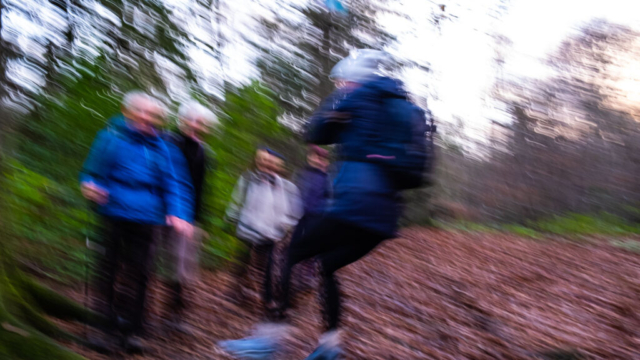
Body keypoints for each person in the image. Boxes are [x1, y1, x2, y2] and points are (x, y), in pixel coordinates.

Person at [219, 50, 405, 360]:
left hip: (355, 205)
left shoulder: (356, 99)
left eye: (343, 81)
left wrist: (332, 107)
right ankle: (330, 347)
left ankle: (269, 340)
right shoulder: (395, 106)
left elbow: (314, 132)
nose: (340, 86)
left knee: (288, 254)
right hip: (385, 217)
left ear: (354, 80)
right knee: (328, 265)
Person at [80, 91, 194, 353]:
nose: (146, 118)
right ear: (126, 111)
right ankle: (104, 327)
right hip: (112, 212)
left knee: (141, 273)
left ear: (160, 119)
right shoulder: (110, 137)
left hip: (147, 218)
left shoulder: (166, 148)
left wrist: (179, 213)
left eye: (153, 115)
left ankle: (133, 330)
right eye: (141, 111)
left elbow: (177, 184)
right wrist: (90, 186)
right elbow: (92, 172)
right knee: (107, 270)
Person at [158, 101, 218, 334]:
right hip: (165, 213)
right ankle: (149, 316)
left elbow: (201, 189)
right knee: (163, 265)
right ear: (181, 120)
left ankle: (175, 316)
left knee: (184, 269)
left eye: (200, 122)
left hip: (191, 218)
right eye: (191, 120)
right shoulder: (168, 141)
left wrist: (199, 221)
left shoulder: (204, 150)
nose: (195, 125)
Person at [224, 148, 301, 312]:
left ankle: (267, 300)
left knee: (266, 267)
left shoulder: (287, 187)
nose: (268, 166)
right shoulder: (248, 179)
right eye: (265, 162)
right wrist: (230, 218)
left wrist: (284, 227)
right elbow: (237, 200)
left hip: (269, 234)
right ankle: (236, 292)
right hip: (246, 229)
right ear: (260, 162)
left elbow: (294, 213)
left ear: (280, 167)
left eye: (273, 163)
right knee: (241, 262)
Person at [288, 145, 331, 295]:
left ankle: (307, 276)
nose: (318, 160)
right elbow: (292, 192)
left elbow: (330, 198)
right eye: (316, 157)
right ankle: (292, 275)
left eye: (322, 158)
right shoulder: (300, 173)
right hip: (298, 216)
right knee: (296, 244)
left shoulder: (327, 178)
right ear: (310, 157)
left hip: (317, 217)